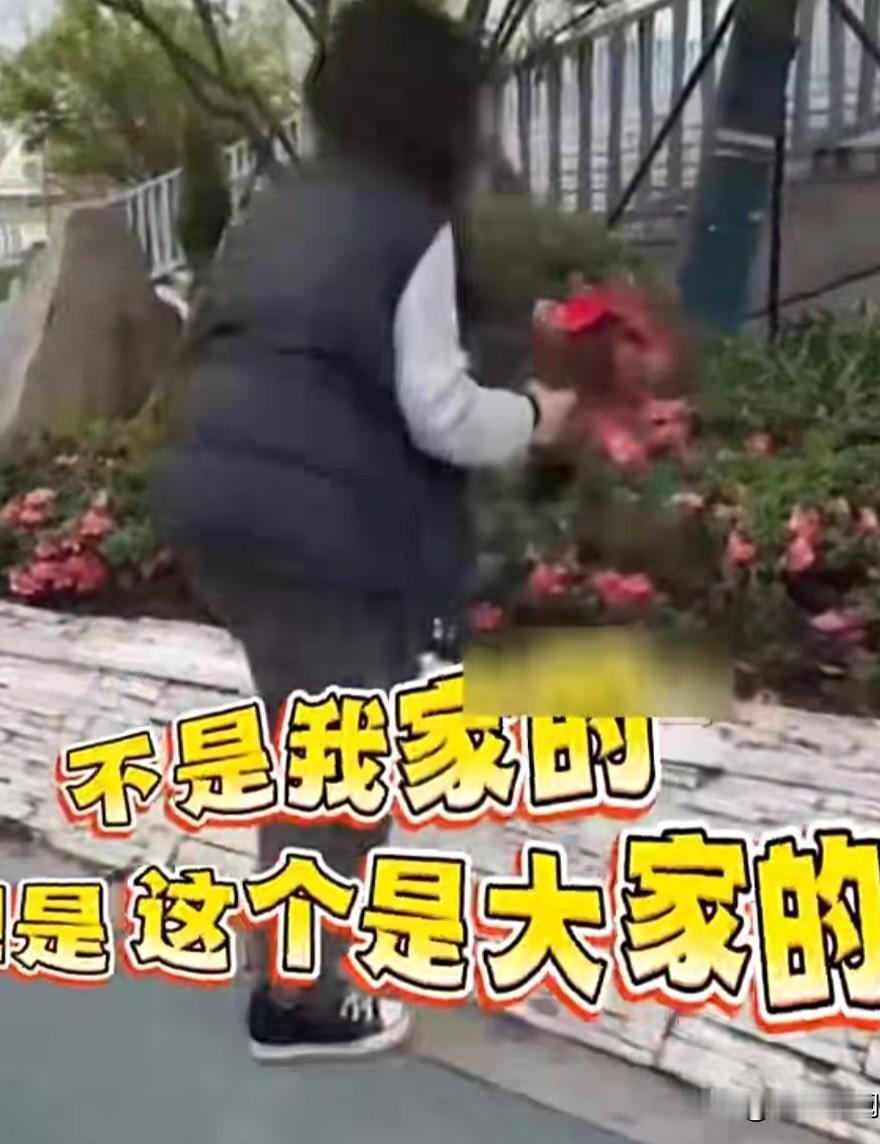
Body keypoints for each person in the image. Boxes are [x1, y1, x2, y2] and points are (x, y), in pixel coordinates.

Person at [149, 0, 580, 1063]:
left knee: (315, 743)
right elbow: (440, 411)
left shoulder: (279, 211)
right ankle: (298, 1002)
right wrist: (536, 417)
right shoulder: (408, 225)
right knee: (343, 766)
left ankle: (292, 958)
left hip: (215, 497)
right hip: (314, 527)